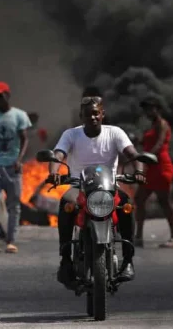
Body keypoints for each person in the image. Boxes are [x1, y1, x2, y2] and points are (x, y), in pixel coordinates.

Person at [51, 97, 145, 287]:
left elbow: (133, 154)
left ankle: (128, 261)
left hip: (108, 186)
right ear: (81, 116)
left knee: (126, 206)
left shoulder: (115, 133)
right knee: (66, 204)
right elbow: (58, 154)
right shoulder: (71, 135)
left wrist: (139, 171)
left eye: (96, 113)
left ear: (102, 114)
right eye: (88, 114)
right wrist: (53, 172)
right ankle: (65, 260)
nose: (92, 117)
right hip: (79, 186)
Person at [0, 81, 31, 254]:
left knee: (13, 205)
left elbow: (25, 139)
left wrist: (19, 159)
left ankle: (11, 240)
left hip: (12, 166)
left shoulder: (19, 116)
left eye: (0, 96)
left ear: (7, 96)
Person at [134, 97, 173, 248]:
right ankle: (138, 236)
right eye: (146, 109)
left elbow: (159, 143)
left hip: (160, 166)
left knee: (164, 202)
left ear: (158, 109)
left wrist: (148, 155)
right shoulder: (152, 126)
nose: (148, 111)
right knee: (139, 199)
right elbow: (147, 143)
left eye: (151, 108)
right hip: (150, 167)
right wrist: (137, 141)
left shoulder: (162, 124)